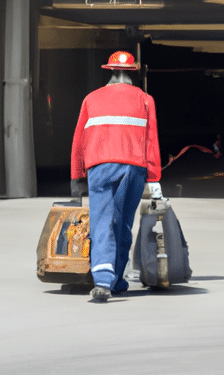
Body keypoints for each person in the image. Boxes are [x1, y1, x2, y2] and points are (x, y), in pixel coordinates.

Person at [71, 51, 162, 302]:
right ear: (134, 72)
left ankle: (102, 280)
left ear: (109, 71)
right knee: (122, 223)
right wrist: (154, 178)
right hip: (133, 166)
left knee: (102, 220)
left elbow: (79, 138)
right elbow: (151, 140)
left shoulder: (91, 98)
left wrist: (76, 173)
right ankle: (117, 278)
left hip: (99, 166)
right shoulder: (145, 99)